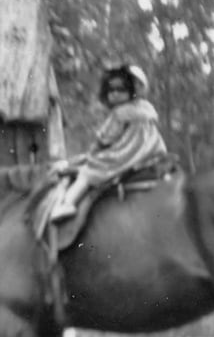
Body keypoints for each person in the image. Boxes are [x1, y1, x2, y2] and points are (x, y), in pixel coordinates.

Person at [50, 64, 169, 222]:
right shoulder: (147, 109)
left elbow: (105, 139)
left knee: (88, 172)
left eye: (121, 90)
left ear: (132, 91)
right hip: (151, 153)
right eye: (111, 91)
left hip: (125, 154)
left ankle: (66, 203)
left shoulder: (120, 114)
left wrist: (93, 152)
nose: (115, 95)